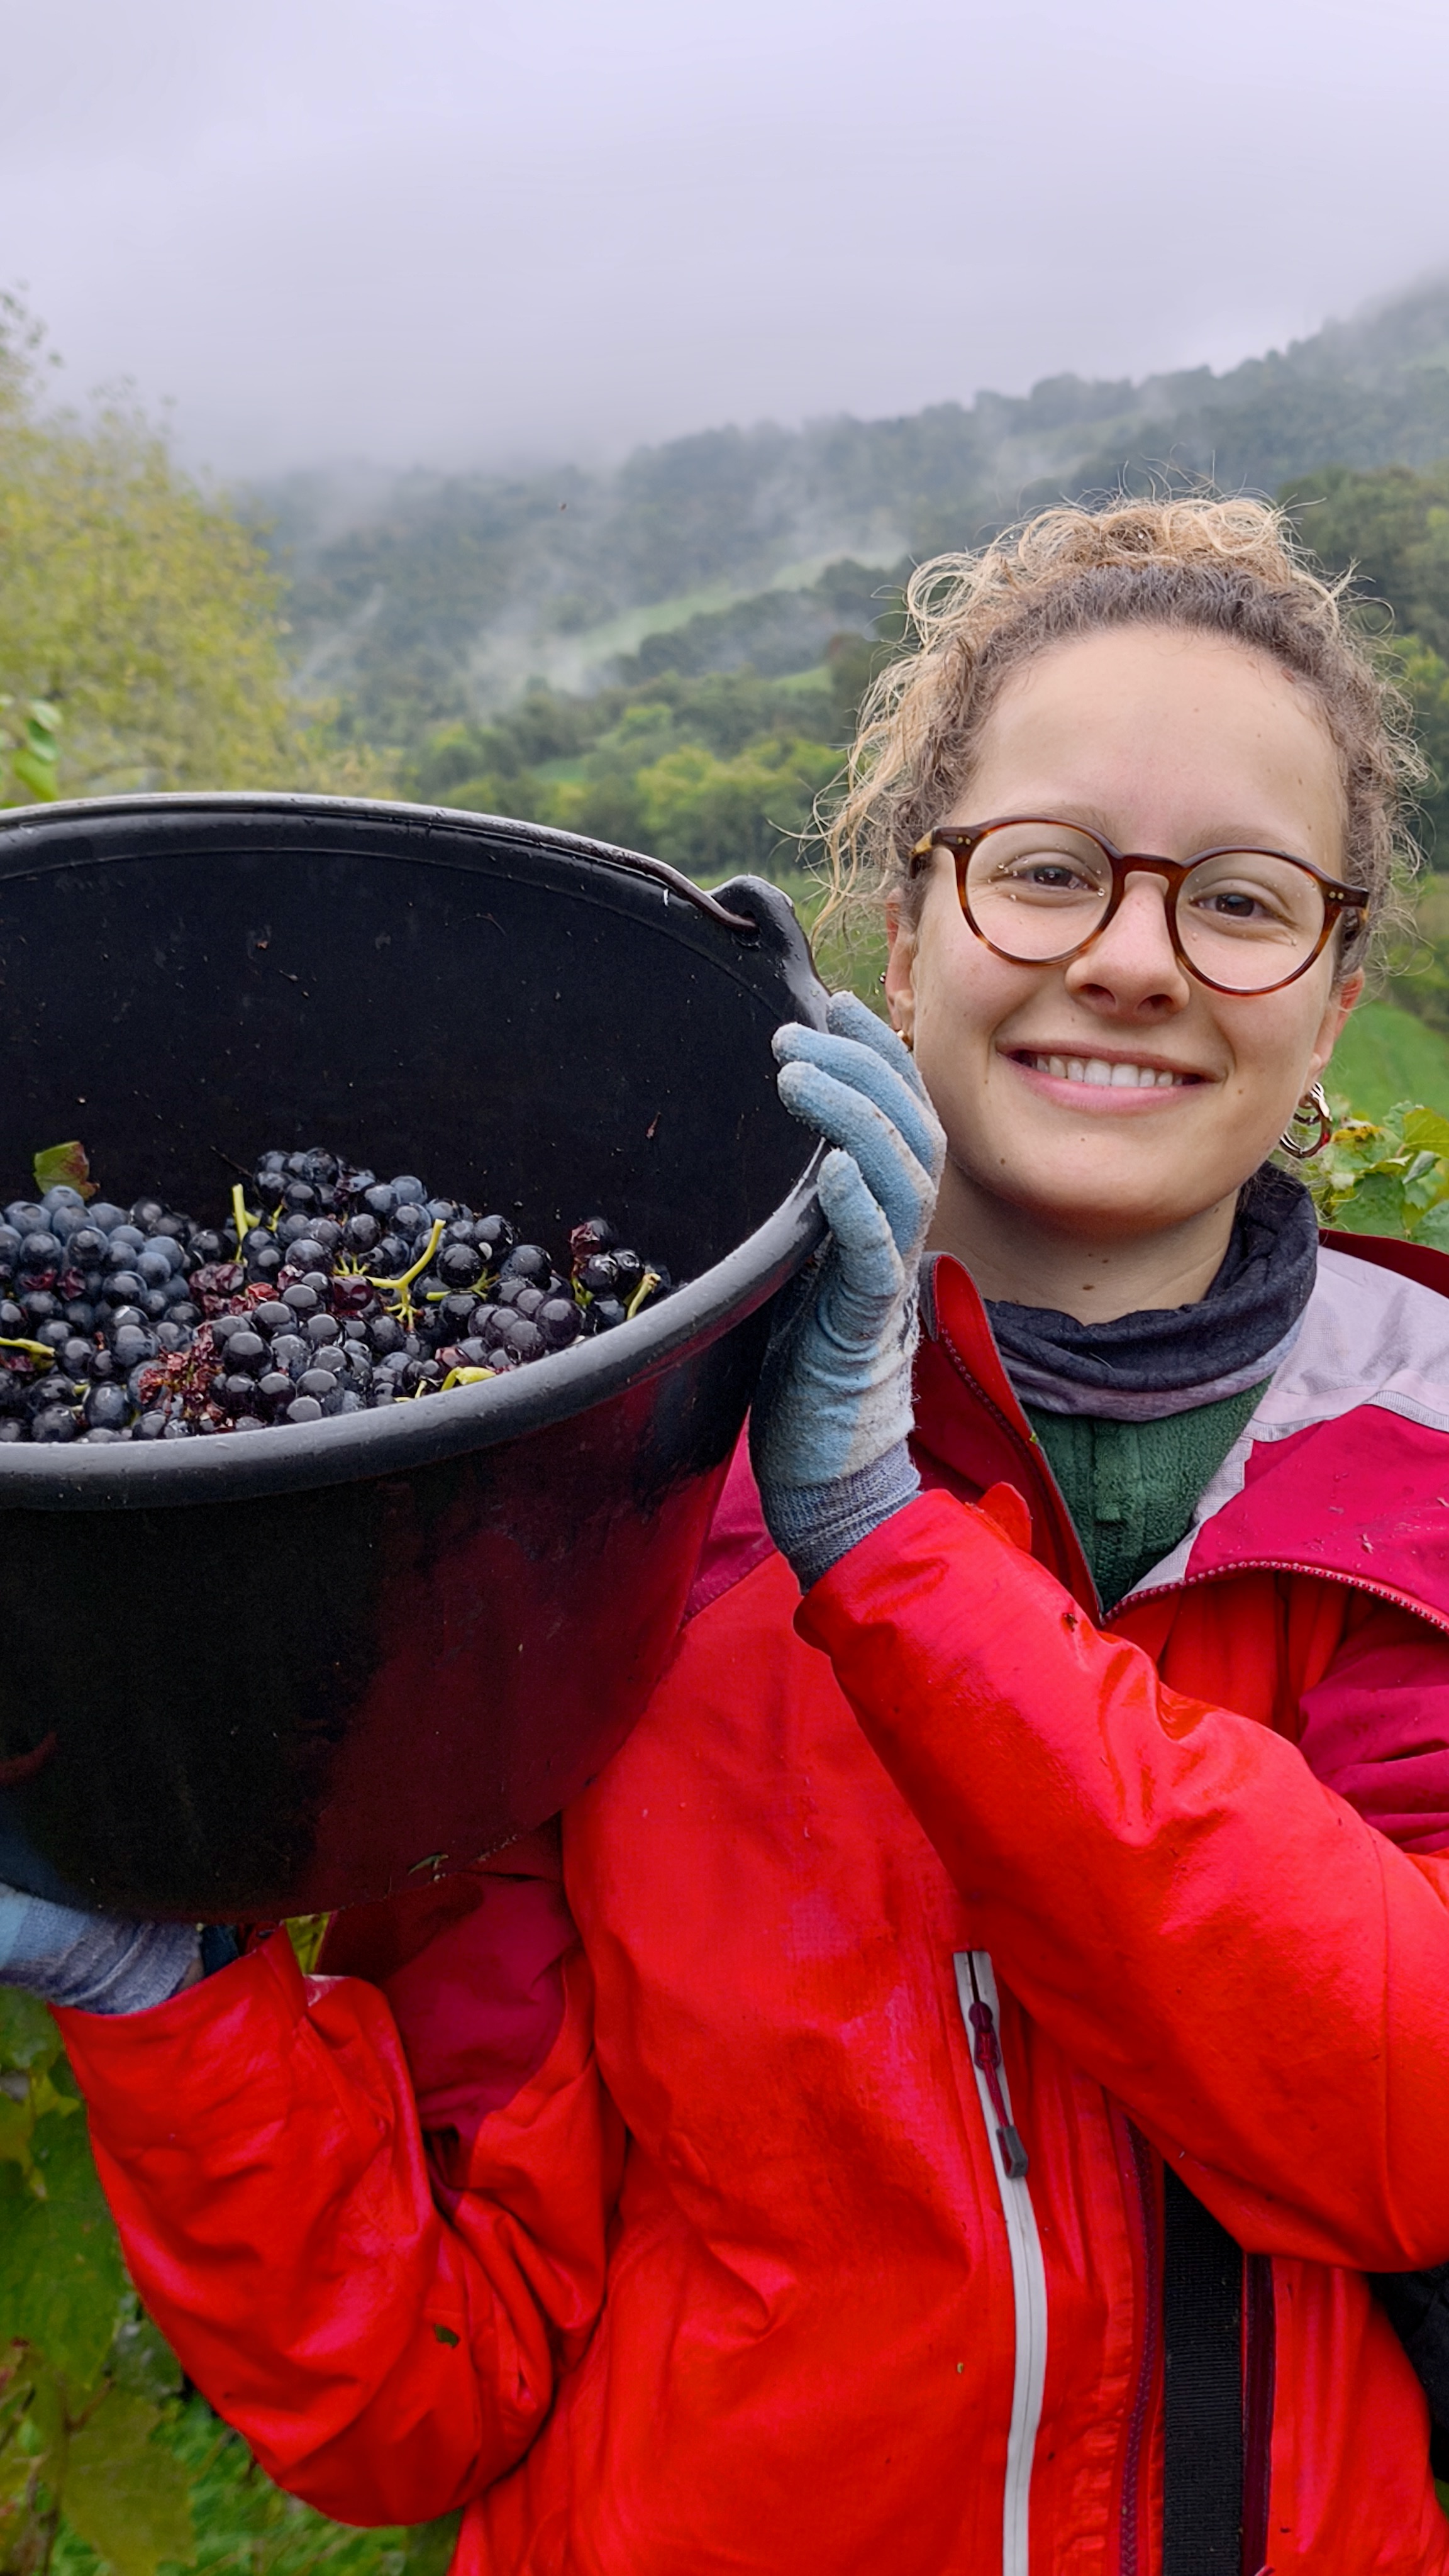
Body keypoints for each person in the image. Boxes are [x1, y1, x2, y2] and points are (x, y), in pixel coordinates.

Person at [6, 495, 1449, 2575]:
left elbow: (1409, 2119)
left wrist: (884, 1547)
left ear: (1332, 995)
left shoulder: (1421, 1460)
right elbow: (424, 2386)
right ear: (911, 926)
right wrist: (182, 2004)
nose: (1131, 958)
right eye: (1045, 873)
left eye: (1240, 900)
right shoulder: (598, 1502)